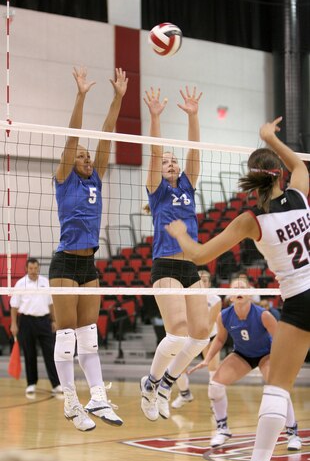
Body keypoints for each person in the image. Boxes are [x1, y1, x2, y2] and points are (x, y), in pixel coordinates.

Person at [165, 116, 310, 461]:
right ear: (280, 174)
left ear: (252, 180)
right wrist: (269, 138)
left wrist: (180, 234)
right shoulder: (300, 195)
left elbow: (199, 254)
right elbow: (299, 164)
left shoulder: (250, 221)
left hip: (300, 300)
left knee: (277, 389)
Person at [49, 66, 128, 431]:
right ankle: (70, 401)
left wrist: (118, 97)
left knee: (89, 338)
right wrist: (81, 96)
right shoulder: (64, 179)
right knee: (66, 339)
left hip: (89, 265)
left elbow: (107, 133)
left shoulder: (96, 174)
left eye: (86, 155)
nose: (85, 157)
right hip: (64, 263)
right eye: (80, 154)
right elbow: (72, 137)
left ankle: (98, 398)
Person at [140, 86, 211, 422]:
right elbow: (154, 154)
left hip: (190, 267)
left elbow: (194, 150)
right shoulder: (156, 191)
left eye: (173, 161)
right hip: (165, 265)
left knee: (201, 333)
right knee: (178, 331)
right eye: (165, 161)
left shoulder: (187, 184)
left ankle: (167, 384)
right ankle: (150, 383)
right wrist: (155, 117)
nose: (169, 164)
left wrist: (193, 115)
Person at [189, 277, 301, 451]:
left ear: (251, 294)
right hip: (243, 355)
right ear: (230, 296)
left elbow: (281, 339)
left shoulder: (263, 315)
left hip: (267, 354)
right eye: (235, 288)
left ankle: (292, 433)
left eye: (243, 287)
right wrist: (207, 359)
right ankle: (223, 429)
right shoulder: (224, 316)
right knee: (215, 384)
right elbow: (219, 339)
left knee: (278, 389)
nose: (240, 290)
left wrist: (286, 363)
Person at [10, 258, 62, 397]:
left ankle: (56, 384)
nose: (33, 271)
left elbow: (51, 304)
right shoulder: (20, 284)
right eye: (30, 268)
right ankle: (31, 383)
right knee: (29, 354)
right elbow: (14, 306)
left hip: (44, 321)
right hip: (26, 322)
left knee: (50, 353)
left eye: (35, 268)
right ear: (26, 269)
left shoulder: (46, 282)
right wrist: (14, 323)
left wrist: (54, 320)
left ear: (39, 268)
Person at [171, 269, 222, 409]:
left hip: (209, 336)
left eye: (204, 280)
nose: (201, 283)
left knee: (213, 369)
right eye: (198, 280)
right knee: (177, 366)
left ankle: (214, 401)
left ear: (209, 283)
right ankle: (184, 394)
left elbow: (210, 324)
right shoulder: (186, 296)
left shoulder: (215, 299)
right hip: (190, 335)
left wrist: (200, 343)